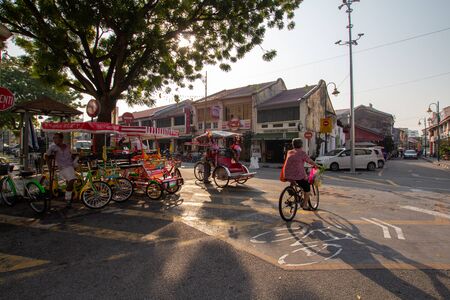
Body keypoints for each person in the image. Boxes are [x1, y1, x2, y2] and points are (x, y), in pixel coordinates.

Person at [283, 138, 319, 210]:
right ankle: (305, 205)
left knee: (295, 181)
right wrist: (316, 165)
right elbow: (310, 161)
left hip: (287, 174)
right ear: (301, 145)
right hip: (298, 175)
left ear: (293, 145)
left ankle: (292, 191)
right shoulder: (302, 153)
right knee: (307, 189)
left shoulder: (289, 152)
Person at [45, 132, 78, 208]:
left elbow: (72, 155)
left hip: (70, 166)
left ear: (61, 139)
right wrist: (49, 167)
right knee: (72, 180)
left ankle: (69, 195)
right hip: (63, 167)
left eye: (56, 138)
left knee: (71, 181)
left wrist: (76, 157)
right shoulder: (53, 147)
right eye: (54, 138)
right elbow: (46, 156)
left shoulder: (67, 146)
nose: (55, 139)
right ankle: (68, 198)